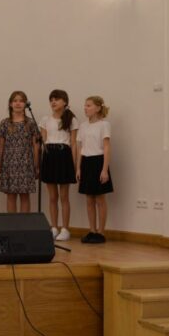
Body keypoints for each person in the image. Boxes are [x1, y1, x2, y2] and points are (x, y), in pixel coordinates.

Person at [39, 89, 79, 241]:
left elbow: (74, 143)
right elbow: (43, 141)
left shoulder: (72, 119)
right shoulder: (45, 120)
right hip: (50, 155)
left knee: (64, 196)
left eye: (57, 99)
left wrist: (74, 164)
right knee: (52, 197)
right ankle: (54, 226)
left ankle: (65, 228)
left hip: (64, 155)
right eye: (51, 99)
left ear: (65, 102)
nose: (53, 102)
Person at [76, 95, 113, 244]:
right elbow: (80, 147)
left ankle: (101, 232)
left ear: (98, 108)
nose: (85, 108)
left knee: (100, 198)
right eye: (85, 105)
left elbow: (106, 147)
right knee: (89, 198)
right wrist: (78, 168)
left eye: (89, 105)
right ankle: (92, 230)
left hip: (98, 161)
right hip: (86, 162)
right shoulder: (83, 126)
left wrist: (104, 169)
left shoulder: (104, 125)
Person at [0, 90, 39, 213]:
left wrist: (36, 165)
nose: (18, 103)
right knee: (10, 196)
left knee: (25, 196)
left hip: (26, 164)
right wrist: (0, 163)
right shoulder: (5, 123)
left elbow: (36, 146)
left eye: (21, 101)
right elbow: (0, 145)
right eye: (15, 101)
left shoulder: (31, 123)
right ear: (10, 104)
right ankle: (12, 227)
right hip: (9, 165)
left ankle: (24, 227)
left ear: (25, 104)